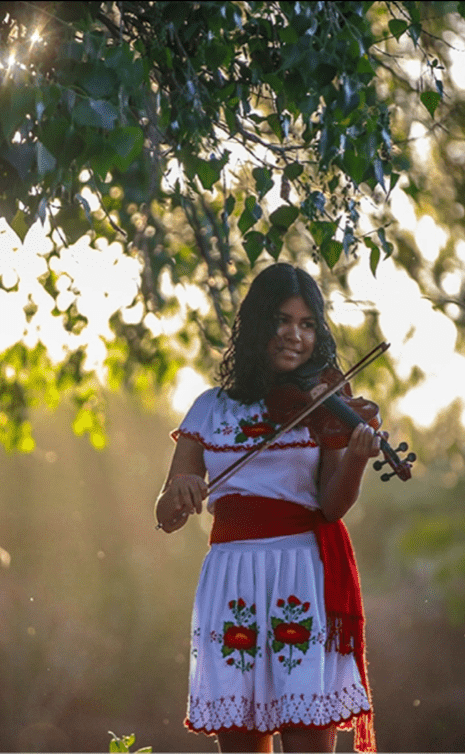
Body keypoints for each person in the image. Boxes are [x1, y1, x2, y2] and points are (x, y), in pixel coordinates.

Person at [154, 262, 381, 752]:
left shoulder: (323, 404)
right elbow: (166, 514)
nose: (293, 335)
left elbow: (331, 505)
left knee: (307, 738)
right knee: (241, 742)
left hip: (302, 572)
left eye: (306, 324)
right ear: (258, 324)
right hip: (232, 578)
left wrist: (357, 461)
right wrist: (182, 492)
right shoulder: (209, 409)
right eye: (281, 320)